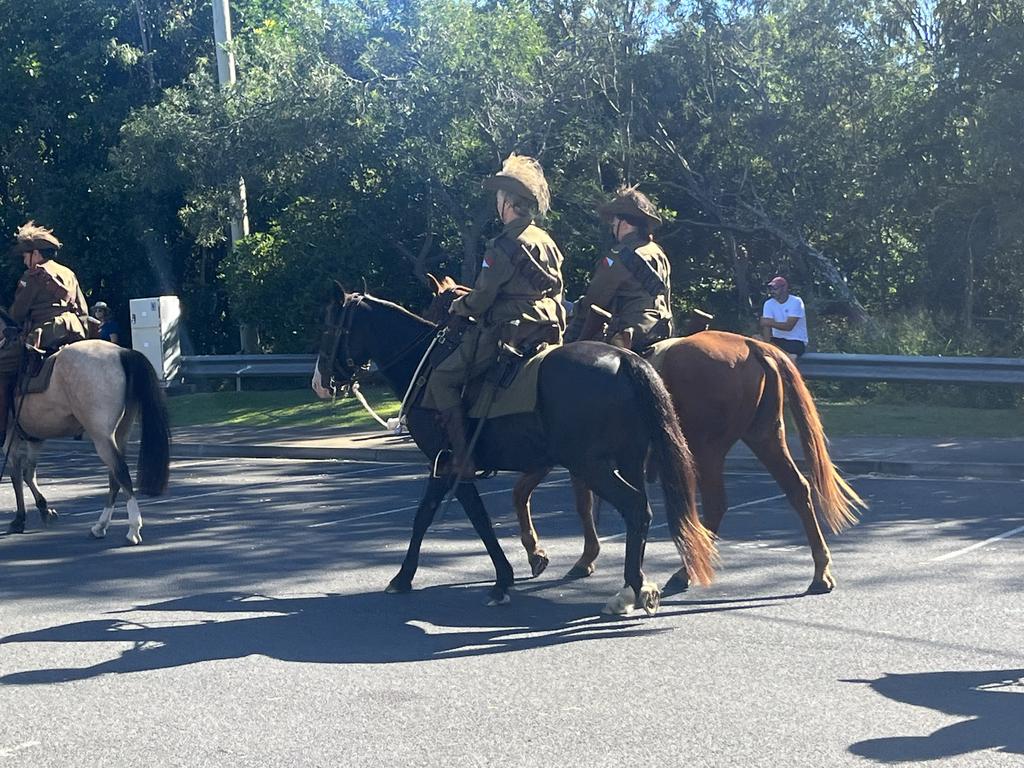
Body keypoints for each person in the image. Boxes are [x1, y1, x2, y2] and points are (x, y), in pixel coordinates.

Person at [427, 154, 565, 477]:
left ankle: (463, 458)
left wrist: (457, 305)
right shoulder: (547, 241)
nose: (496, 204)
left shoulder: (502, 245)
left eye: (498, 198)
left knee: (442, 379)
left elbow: (482, 299)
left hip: (509, 330)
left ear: (507, 202)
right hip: (548, 328)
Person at [0, 221, 89, 433]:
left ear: (36, 254)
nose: (24, 260)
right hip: (74, 329)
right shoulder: (69, 273)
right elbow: (83, 308)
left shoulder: (33, 275)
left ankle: (2, 427)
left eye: (25, 255)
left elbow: (17, 313)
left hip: (46, 332)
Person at [566, 185, 672, 352]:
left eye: (615, 220)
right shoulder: (658, 252)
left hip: (631, 331)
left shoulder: (617, 255)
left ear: (625, 224)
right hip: (661, 329)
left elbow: (595, 300)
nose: (612, 225)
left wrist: (573, 311)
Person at [760, 275, 808, 359]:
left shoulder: (796, 302)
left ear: (784, 288)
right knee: (755, 338)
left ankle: (788, 365)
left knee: (790, 357)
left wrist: (769, 322)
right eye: (771, 289)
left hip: (795, 341)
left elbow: (789, 326)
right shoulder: (768, 304)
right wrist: (767, 346)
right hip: (777, 340)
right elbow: (766, 327)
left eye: (775, 289)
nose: (772, 292)